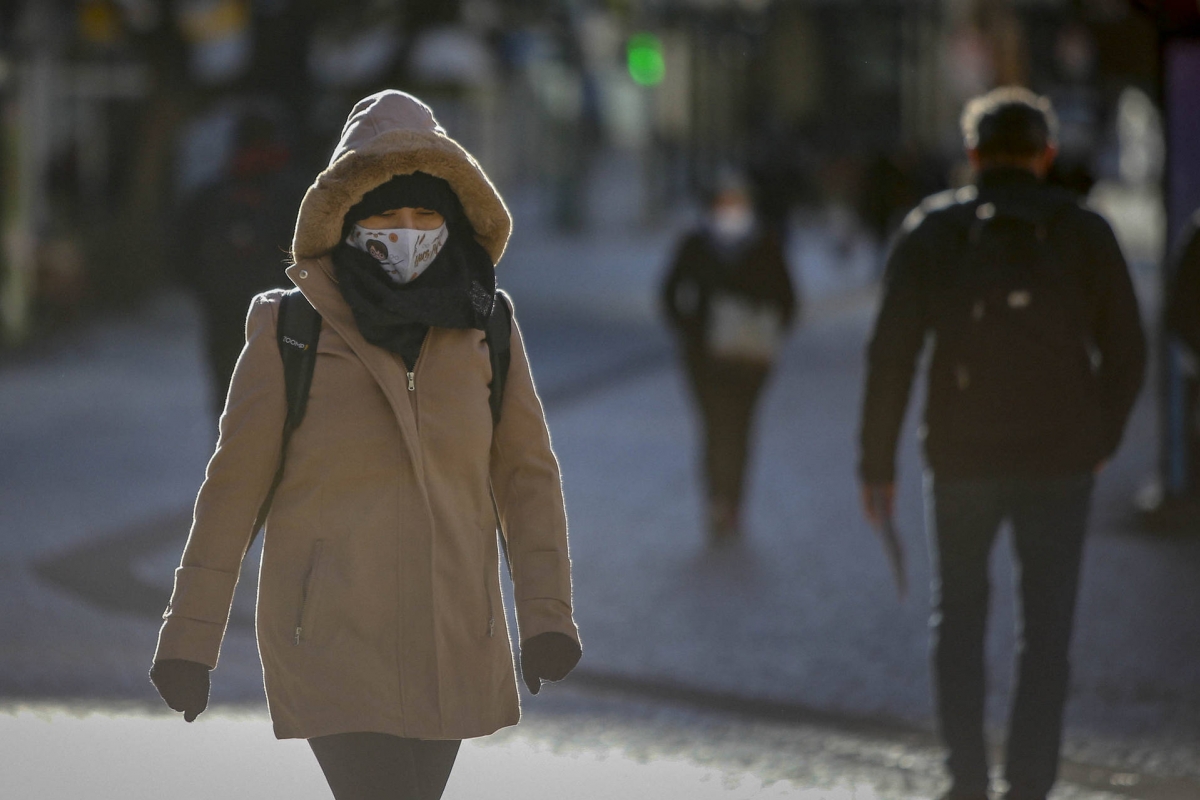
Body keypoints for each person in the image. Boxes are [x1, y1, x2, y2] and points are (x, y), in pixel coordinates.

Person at [149, 90, 582, 800]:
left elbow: (528, 481)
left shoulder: (487, 326)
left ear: (452, 217)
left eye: (424, 213)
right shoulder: (290, 329)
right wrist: (187, 643)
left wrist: (547, 619)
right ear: (346, 216)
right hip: (331, 642)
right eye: (383, 212)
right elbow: (231, 496)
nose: (405, 230)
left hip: (453, 637)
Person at [858, 87, 1145, 800]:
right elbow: (1129, 350)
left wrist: (876, 464)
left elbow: (890, 354)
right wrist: (1100, 438)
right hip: (1060, 461)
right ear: (1046, 156)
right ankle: (1030, 784)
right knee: (1046, 632)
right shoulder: (1084, 232)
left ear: (974, 155)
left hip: (960, 458)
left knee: (957, 621)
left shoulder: (932, 230)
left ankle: (967, 779)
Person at [661, 172, 798, 542]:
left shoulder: (765, 243)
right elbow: (669, 293)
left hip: (750, 360)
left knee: (739, 428)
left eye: (738, 203)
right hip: (704, 359)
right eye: (725, 203)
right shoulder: (695, 242)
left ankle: (734, 503)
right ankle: (716, 502)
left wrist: (766, 333)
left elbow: (788, 299)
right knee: (713, 428)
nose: (731, 211)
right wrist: (691, 330)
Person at [176, 106, 308, 417]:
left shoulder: (212, 194)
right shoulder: (298, 195)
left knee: (230, 395)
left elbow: (180, 251)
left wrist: (206, 288)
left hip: (225, 309)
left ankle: (235, 459)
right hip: (282, 311)